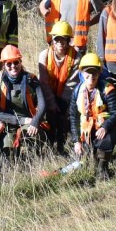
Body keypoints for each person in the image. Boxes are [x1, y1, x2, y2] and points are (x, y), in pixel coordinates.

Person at [0, 44, 46, 162]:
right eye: (9, 64)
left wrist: (35, 121)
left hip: (30, 122)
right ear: (4, 65)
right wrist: (21, 120)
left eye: (16, 62)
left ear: (20, 62)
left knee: (28, 151)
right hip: (8, 124)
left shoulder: (31, 79)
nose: (13, 66)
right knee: (7, 155)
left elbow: (43, 104)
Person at [69, 54, 116, 181]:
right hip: (88, 130)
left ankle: (102, 170)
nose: (91, 76)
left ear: (99, 73)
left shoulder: (107, 89)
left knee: (104, 143)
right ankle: (93, 157)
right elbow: (73, 117)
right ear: (82, 73)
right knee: (85, 158)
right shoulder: (77, 91)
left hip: (109, 128)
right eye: (88, 72)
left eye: (94, 72)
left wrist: (105, 127)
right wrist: (76, 141)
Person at [37, 20, 78, 154]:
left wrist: (60, 105)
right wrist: (51, 102)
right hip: (47, 93)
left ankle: (61, 144)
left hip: (66, 95)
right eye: (57, 39)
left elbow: (71, 85)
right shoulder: (44, 55)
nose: (60, 43)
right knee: (49, 114)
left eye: (63, 39)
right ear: (53, 40)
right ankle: (49, 144)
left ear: (68, 41)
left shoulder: (76, 58)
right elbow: (43, 82)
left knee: (63, 116)